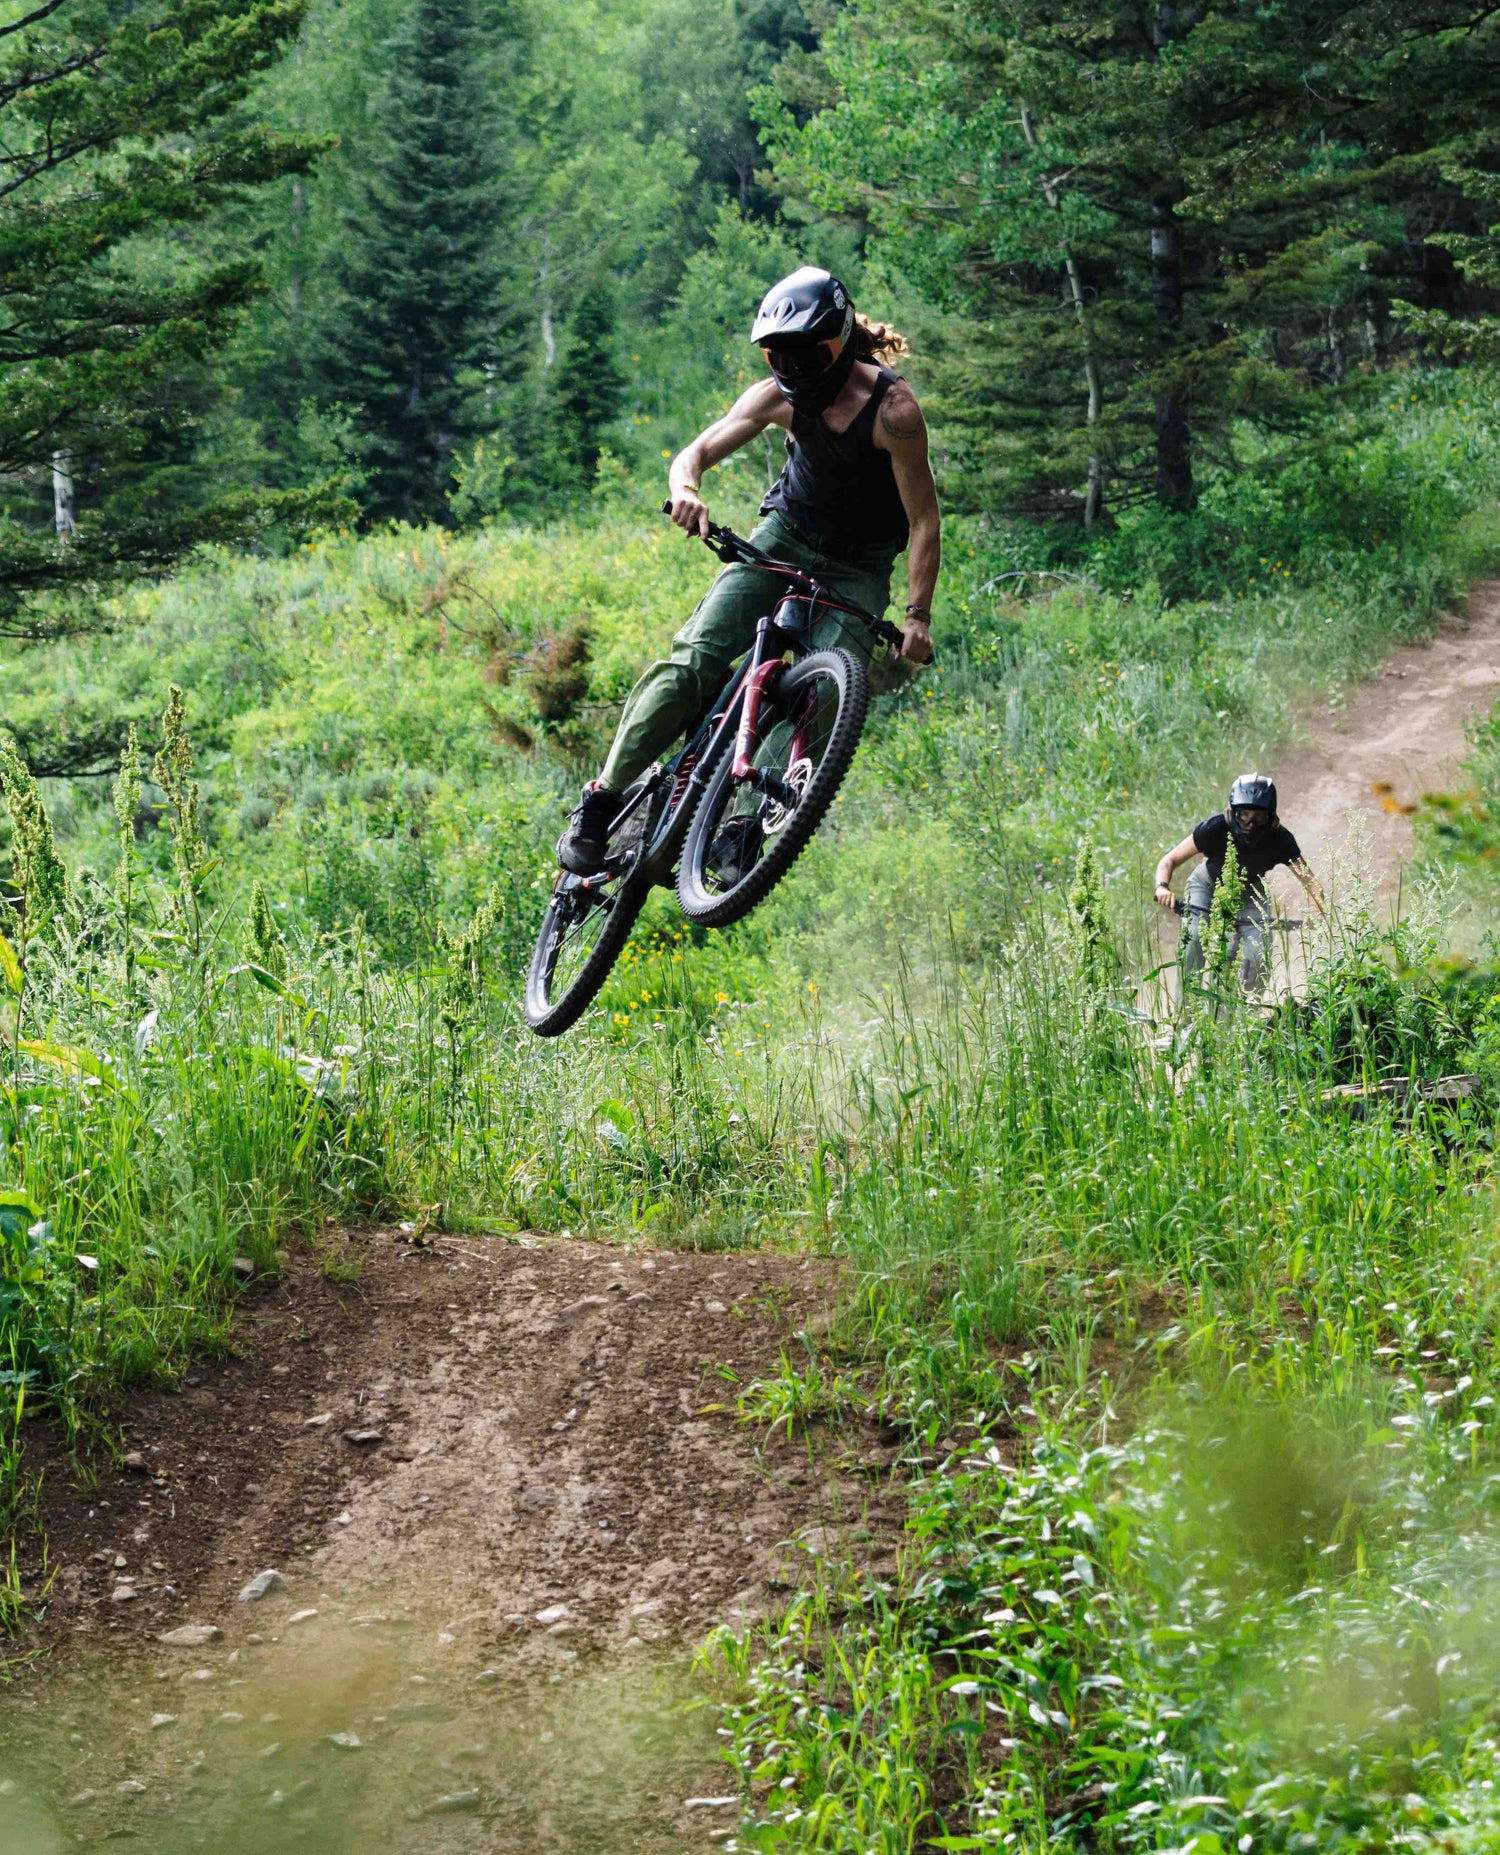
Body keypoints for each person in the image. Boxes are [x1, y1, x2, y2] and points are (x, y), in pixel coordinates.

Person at [557, 266, 940, 876]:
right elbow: (698, 451)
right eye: (776, 357)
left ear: (837, 345)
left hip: (860, 566)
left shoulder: (893, 412)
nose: (789, 371)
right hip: (784, 536)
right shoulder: (777, 399)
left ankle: (745, 828)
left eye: (803, 356)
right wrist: (686, 489)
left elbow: (923, 520)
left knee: (827, 693)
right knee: (694, 660)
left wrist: (916, 616)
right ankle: (600, 802)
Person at [1154, 774, 1326, 992]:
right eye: (1244, 814)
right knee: (1194, 939)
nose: (1250, 824)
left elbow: (1311, 883)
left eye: (1258, 817)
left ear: (1271, 817)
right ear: (1233, 812)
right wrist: (1162, 886)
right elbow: (1169, 860)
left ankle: (1246, 1018)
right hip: (1207, 886)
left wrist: (1316, 910)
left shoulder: (1281, 840)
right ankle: (1184, 1017)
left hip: (1250, 894)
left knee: (1257, 954)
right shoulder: (1214, 828)